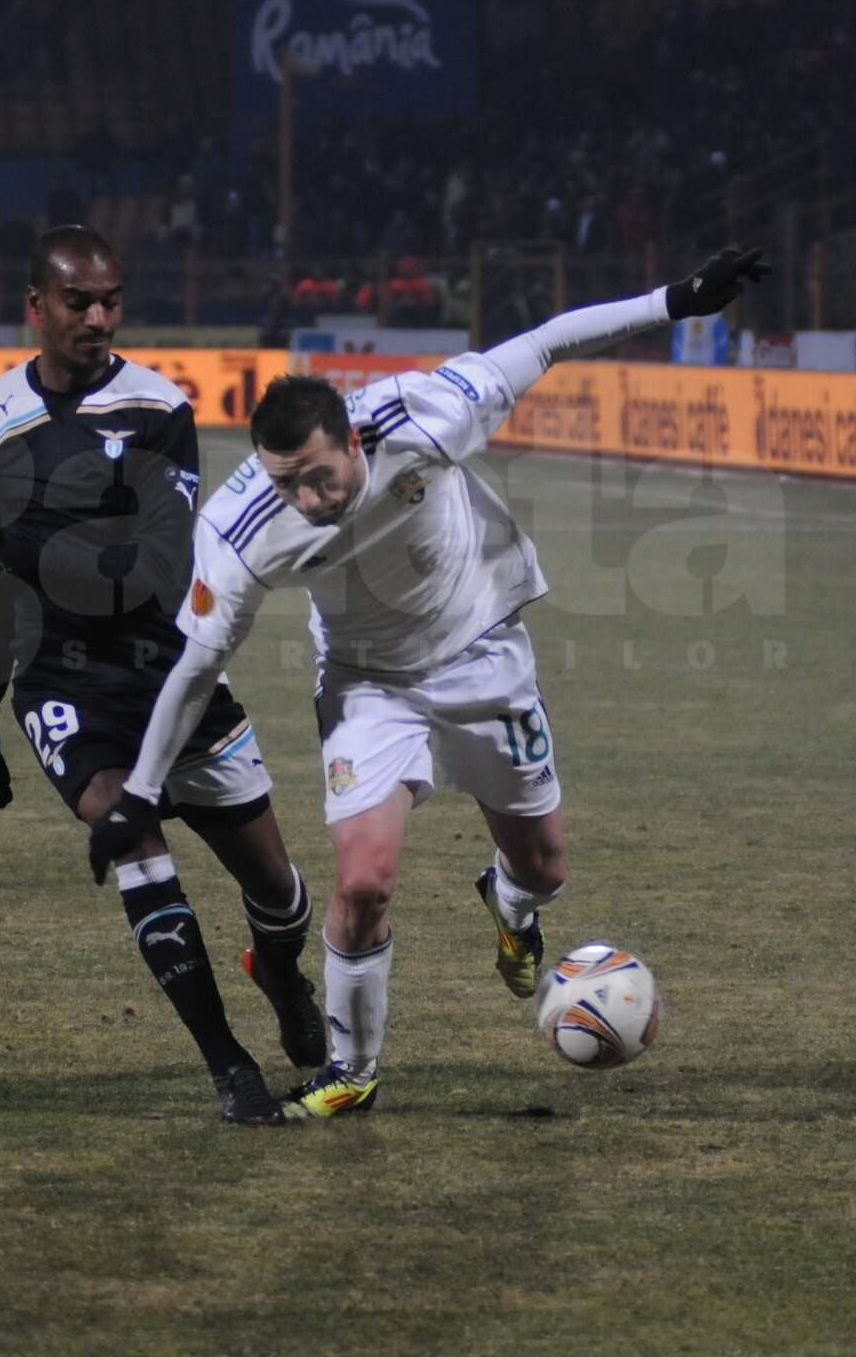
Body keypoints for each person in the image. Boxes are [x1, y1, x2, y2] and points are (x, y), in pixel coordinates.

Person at [93, 247, 770, 1119]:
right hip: (369, 684)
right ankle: (352, 1069)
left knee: (545, 865)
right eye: (284, 484)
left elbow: (549, 341)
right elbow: (197, 664)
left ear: (351, 439)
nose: (304, 502)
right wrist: (141, 792)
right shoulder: (241, 527)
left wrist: (675, 299)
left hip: (485, 652)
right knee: (365, 880)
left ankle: (511, 904)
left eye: (317, 477)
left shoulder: (426, 412)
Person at [0, 224, 324, 1126]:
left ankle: (280, 970)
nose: (101, 316)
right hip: (61, 681)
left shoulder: (159, 406)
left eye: (112, 299)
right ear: (36, 306)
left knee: (275, 888)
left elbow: (155, 562)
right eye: (81, 301)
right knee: (133, 843)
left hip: (170, 673)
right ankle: (229, 1067)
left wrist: (50, 545)